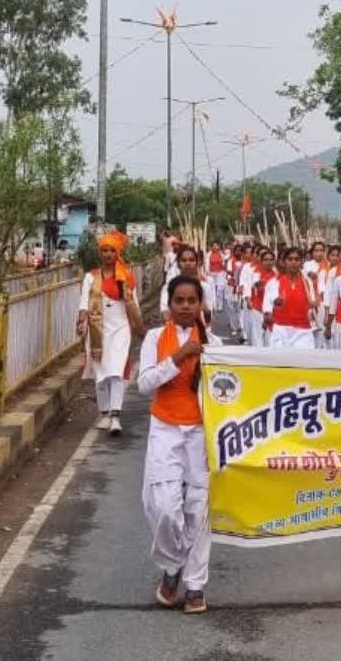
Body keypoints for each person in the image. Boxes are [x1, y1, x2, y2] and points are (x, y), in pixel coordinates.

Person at [137, 276, 222, 615]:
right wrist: (178, 357)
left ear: (201, 304)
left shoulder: (214, 342)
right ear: (169, 305)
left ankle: (195, 584)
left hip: (201, 433)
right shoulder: (156, 339)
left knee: (198, 511)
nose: (186, 306)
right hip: (165, 429)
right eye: (179, 300)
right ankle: (172, 565)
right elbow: (144, 384)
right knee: (164, 508)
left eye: (192, 300)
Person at [77, 231, 145, 436]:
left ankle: (115, 416)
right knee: (101, 375)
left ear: (117, 253)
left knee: (115, 371)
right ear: (100, 253)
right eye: (104, 250)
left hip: (120, 328)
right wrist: (82, 320)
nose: (107, 254)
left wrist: (138, 327)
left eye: (111, 251)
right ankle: (104, 413)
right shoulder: (91, 277)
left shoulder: (125, 278)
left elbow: (134, 304)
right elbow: (84, 303)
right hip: (97, 330)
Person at [265, 247, 316, 350]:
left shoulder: (307, 282)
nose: (293, 262)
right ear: (284, 262)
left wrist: (312, 312)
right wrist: (275, 305)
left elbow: (311, 305)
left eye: (297, 259)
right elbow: (268, 308)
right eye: (290, 259)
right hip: (281, 330)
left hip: (303, 331)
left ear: (301, 262)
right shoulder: (274, 282)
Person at [161, 246, 215, 326]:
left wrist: (203, 305)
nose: (187, 263)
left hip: (200, 334)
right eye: (183, 260)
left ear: (197, 263)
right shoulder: (169, 287)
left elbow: (208, 318)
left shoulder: (205, 287)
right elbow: (165, 314)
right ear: (178, 264)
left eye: (191, 260)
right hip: (175, 333)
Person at [246, 249, 277, 347]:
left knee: (270, 339)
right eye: (266, 260)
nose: (268, 262)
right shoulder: (255, 273)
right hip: (257, 309)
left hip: (272, 312)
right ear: (261, 261)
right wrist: (248, 300)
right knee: (257, 338)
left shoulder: (277, 275)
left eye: (271, 260)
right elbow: (249, 286)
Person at [302, 242, 329, 348]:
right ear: (312, 253)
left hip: (327, 302)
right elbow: (310, 277)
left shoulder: (329, 265)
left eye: (321, 250)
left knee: (326, 329)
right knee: (315, 330)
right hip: (314, 302)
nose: (319, 253)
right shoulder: (308, 265)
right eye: (316, 251)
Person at [207, 241, 228, 314]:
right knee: (212, 290)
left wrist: (224, 266)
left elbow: (225, 264)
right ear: (211, 247)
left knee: (219, 289)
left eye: (216, 246)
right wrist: (207, 273)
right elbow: (207, 265)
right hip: (211, 273)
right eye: (214, 246)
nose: (215, 247)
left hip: (220, 273)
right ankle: (214, 304)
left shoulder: (222, 254)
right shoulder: (208, 254)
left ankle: (220, 305)